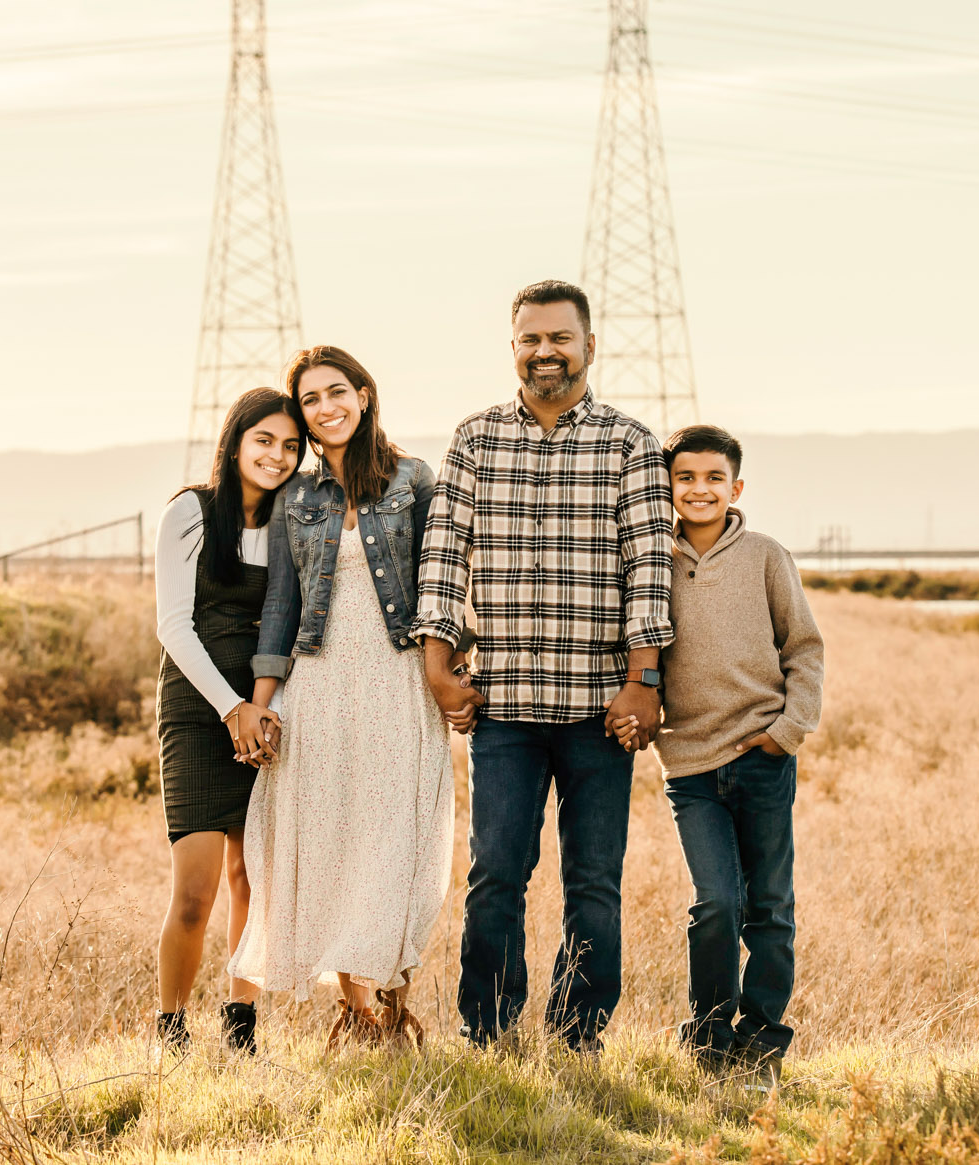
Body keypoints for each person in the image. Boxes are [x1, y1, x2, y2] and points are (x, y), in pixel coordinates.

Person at [413, 279, 676, 1053]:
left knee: (593, 882)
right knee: (497, 872)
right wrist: (437, 666)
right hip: (505, 708)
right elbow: (441, 557)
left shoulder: (629, 444)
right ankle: (487, 1028)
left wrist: (643, 679)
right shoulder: (475, 438)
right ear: (515, 347)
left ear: (589, 346)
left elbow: (648, 570)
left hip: (601, 708)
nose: (545, 352)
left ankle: (577, 1034)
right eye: (531, 339)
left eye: (560, 338)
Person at [230, 346, 456, 1051]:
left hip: (397, 680)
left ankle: (388, 999)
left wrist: (449, 666)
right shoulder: (297, 499)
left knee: (395, 841)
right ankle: (362, 1016)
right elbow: (280, 603)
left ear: (363, 393)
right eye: (310, 400)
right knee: (332, 841)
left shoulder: (415, 480)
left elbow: (446, 581)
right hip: (320, 684)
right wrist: (263, 701)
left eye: (336, 392)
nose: (325, 408)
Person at [649, 424, 824, 1088]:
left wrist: (787, 730)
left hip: (762, 757)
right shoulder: (650, 563)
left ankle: (763, 1041)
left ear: (736, 487)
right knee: (716, 900)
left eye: (713, 478)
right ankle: (710, 1035)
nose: (700, 489)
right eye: (686, 477)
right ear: (668, 486)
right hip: (690, 764)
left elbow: (805, 648)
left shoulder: (766, 556)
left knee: (770, 904)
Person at [153, 387, 301, 1056]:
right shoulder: (190, 510)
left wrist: (261, 707)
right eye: (265, 439)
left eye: (291, 446)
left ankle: (240, 1022)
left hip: (266, 708)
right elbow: (173, 627)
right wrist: (229, 707)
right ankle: (171, 1029)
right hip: (198, 708)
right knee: (196, 888)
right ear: (236, 440)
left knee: (254, 877)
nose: (278, 455)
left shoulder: (290, 522)